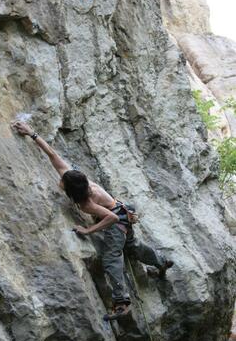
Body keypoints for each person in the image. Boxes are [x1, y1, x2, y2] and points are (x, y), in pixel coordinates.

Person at [11, 121, 173, 317]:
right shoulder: (76, 179)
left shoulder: (87, 203)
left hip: (118, 222)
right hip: (123, 210)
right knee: (133, 246)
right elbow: (52, 154)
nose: (60, 180)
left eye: (62, 182)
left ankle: (122, 302)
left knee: (112, 257)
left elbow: (111, 218)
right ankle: (160, 262)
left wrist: (88, 231)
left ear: (72, 190)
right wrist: (31, 133)